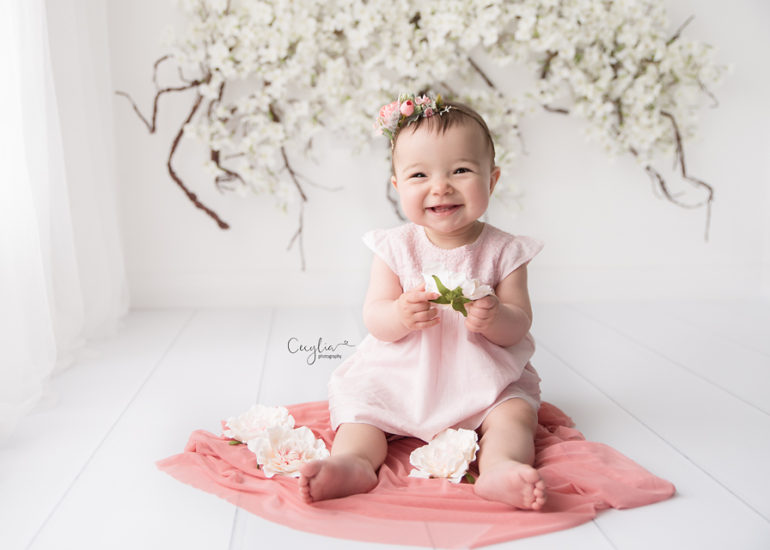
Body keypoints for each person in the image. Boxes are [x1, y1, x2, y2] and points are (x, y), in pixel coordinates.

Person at [299, 93, 546, 510]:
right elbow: (375, 317)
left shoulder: (505, 251)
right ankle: (352, 463)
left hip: (482, 380)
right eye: (419, 175)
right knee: (362, 413)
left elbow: (519, 324)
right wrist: (398, 313)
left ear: (492, 180)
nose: (441, 186)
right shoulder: (394, 248)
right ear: (397, 186)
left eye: (461, 170)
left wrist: (497, 317)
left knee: (514, 415)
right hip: (399, 376)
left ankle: (500, 466)